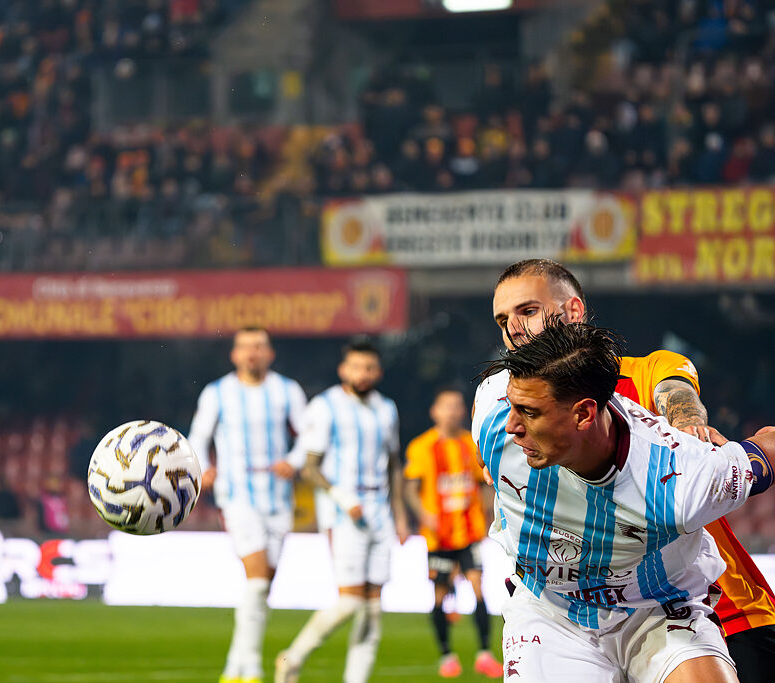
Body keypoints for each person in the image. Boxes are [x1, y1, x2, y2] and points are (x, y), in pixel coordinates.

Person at [490, 258, 775, 680]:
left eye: (528, 311)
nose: (513, 328)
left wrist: (687, 426)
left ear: (573, 311)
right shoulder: (500, 405)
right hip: (574, 612)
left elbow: (677, 395)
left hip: (709, 600)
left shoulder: (641, 374)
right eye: (502, 320)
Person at [275, 337, 409, 683]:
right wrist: (342, 498)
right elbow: (310, 467)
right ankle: (292, 657)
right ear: (343, 370)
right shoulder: (325, 406)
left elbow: (394, 464)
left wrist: (399, 515)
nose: (362, 373)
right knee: (350, 602)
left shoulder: (387, 408)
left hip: (379, 511)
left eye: (369, 367)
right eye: (355, 367)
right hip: (343, 514)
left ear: (378, 372)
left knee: (373, 609)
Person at [187, 326, 308, 683]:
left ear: (270, 354)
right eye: (246, 347)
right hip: (237, 495)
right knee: (257, 583)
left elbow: (309, 435)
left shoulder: (287, 390)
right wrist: (204, 468)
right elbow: (198, 436)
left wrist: (294, 461)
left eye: (259, 346)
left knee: (262, 587)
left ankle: (234, 666)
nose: (252, 353)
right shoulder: (217, 392)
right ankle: (252, 667)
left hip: (278, 498)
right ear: (235, 355)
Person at [403, 388, 502, 678]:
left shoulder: (471, 444)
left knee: (478, 586)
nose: (453, 412)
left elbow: (484, 483)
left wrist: (489, 515)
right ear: (434, 411)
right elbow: (410, 487)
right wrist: (423, 515)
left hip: (469, 531)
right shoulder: (421, 447)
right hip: (439, 536)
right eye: (446, 406)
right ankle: (446, 655)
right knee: (440, 593)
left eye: (457, 406)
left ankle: (484, 653)